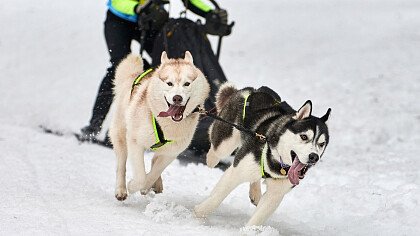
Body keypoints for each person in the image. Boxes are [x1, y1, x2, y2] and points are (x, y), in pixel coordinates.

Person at [81, 0, 228, 140]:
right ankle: (95, 124)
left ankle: (161, 123)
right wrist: (139, 8)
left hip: (152, 20)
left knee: (163, 66)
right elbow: (118, 2)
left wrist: (210, 14)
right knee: (121, 67)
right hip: (120, 20)